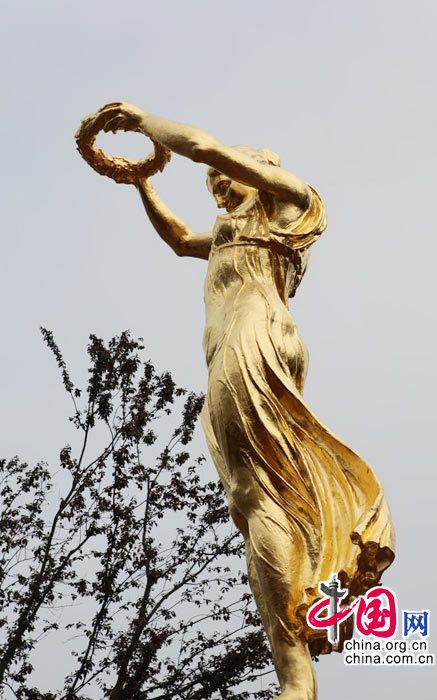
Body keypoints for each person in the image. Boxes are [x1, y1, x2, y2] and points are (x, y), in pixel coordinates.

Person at [88, 103, 395, 700]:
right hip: (231, 349)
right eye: (211, 185)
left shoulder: (291, 200)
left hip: (255, 339)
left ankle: (296, 679)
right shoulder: (231, 231)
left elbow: (202, 146)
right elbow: (179, 240)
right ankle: (296, 670)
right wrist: (143, 183)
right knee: (253, 498)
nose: (217, 186)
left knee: (258, 497)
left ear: (259, 166)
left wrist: (143, 122)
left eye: (227, 176)